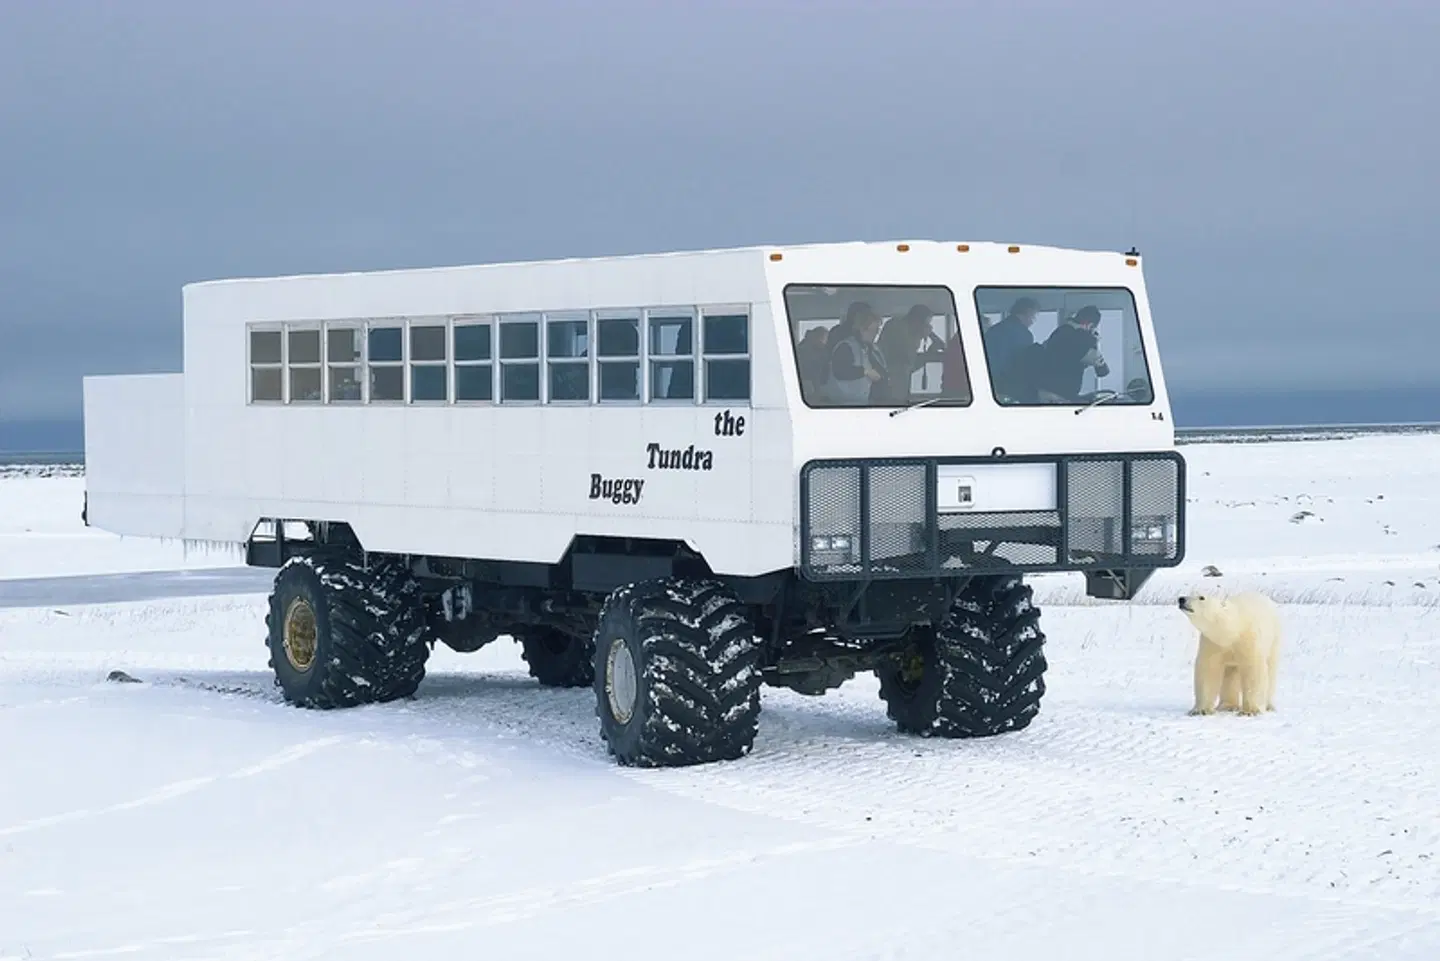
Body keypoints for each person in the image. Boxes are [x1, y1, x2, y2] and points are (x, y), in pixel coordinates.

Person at [1034, 304, 1110, 402]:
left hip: (1046, 391)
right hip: (1059, 396)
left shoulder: (1060, 332)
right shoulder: (1080, 337)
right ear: (1090, 325)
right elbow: (1102, 370)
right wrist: (1093, 341)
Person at [872, 304, 944, 404]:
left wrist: (930, 352)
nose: (927, 327)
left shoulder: (910, 333)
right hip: (888, 388)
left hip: (900, 388)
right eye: (925, 323)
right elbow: (902, 359)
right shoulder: (896, 327)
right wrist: (919, 337)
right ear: (916, 320)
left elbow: (909, 366)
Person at [824, 302, 886, 405]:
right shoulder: (846, 346)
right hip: (841, 405)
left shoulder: (869, 348)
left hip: (861, 402)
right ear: (862, 328)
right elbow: (840, 371)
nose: (875, 334)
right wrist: (866, 372)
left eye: (877, 330)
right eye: (873, 330)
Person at [982, 296, 1039, 388]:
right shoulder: (1024, 334)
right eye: (1033, 316)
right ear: (1027, 312)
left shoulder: (993, 330)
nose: (1033, 321)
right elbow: (1024, 364)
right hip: (1010, 384)